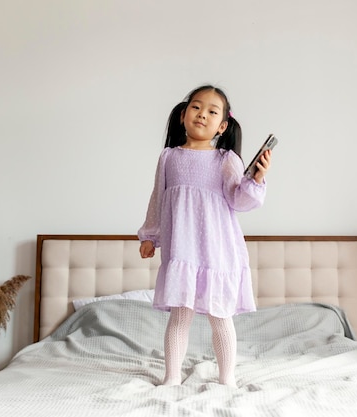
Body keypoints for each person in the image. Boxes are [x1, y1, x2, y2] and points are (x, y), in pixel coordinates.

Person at [138, 84, 272, 387]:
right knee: (179, 316)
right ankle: (172, 378)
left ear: (223, 125)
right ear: (183, 114)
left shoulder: (226, 160)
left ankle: (227, 379)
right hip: (181, 251)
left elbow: (240, 201)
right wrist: (150, 235)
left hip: (218, 252)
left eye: (212, 111)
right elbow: (157, 199)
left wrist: (257, 178)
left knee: (220, 317)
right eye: (196, 107)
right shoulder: (169, 157)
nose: (202, 114)